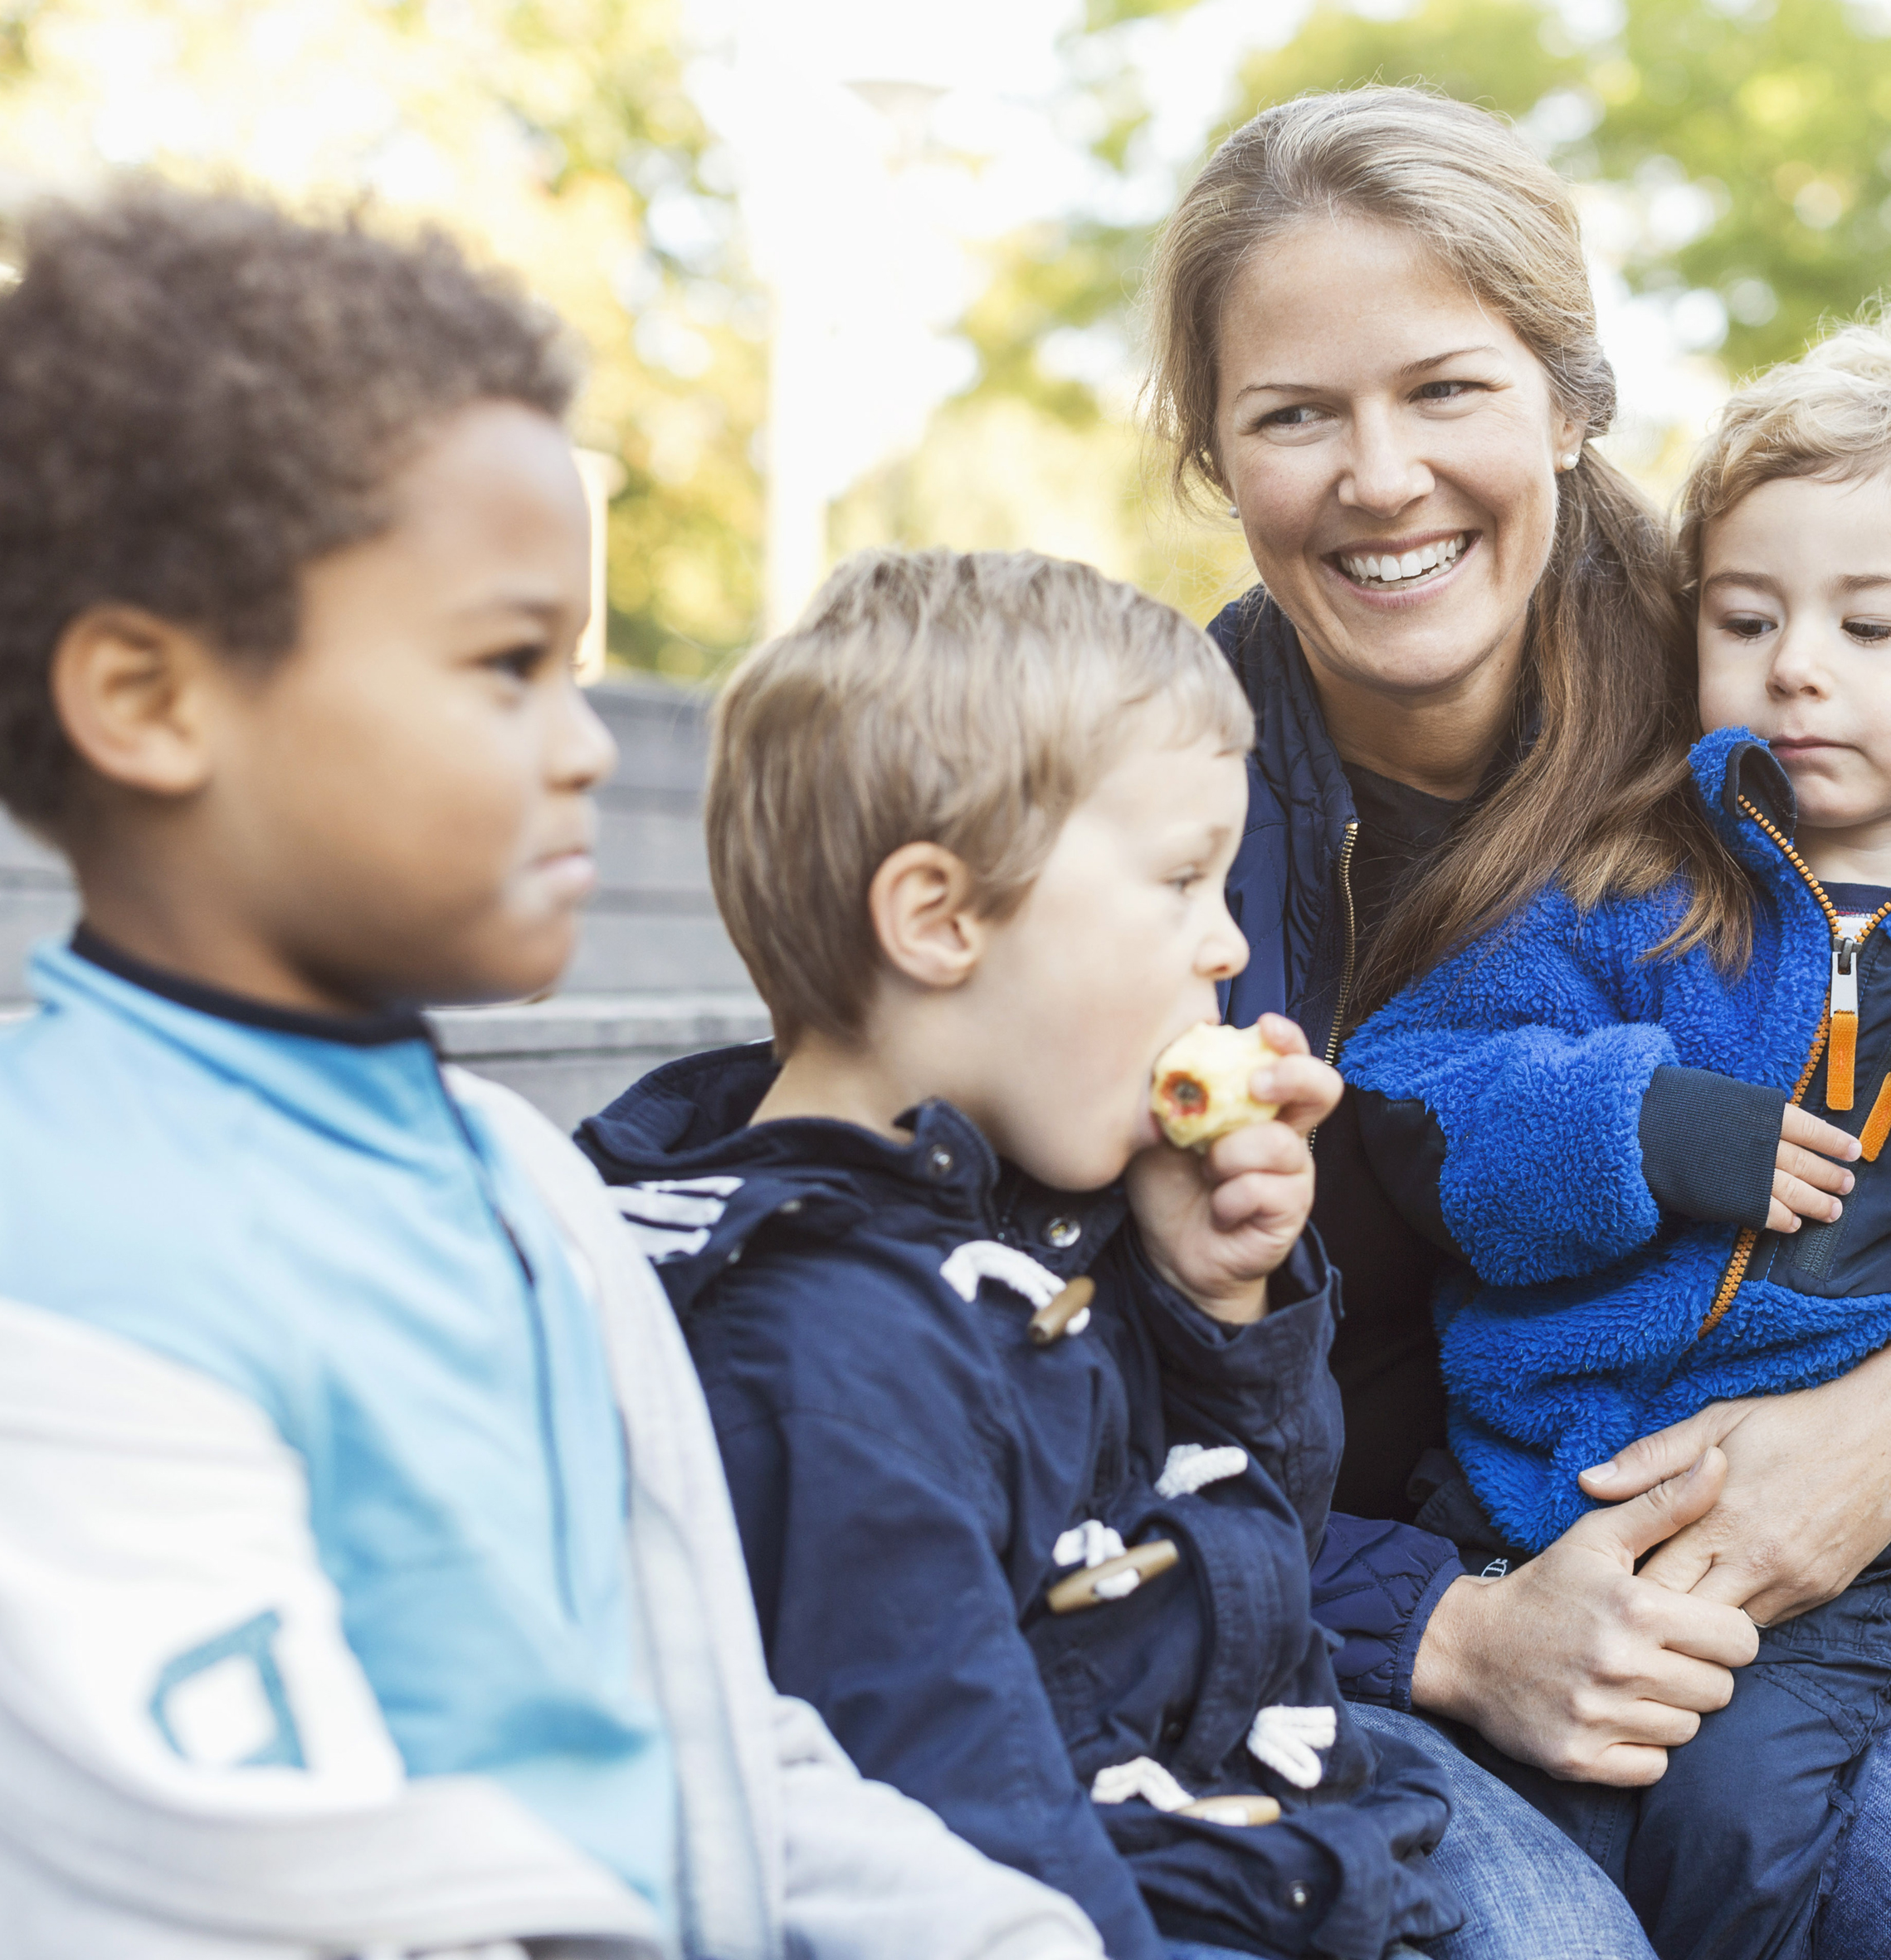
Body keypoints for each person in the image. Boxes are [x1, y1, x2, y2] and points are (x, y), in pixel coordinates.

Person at [0, 191, 1097, 1960]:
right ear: (150, 699)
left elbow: (677, 1739)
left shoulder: (510, 1180)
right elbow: (243, 1894)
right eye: (506, 666)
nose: (590, 745)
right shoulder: (25, 1301)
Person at [1143, 85, 1891, 1952]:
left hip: (1753, 1599)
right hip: (1339, 1592)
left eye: (1443, 387)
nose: (1379, 477)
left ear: (1568, 397)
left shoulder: (1784, 704)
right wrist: (1444, 1630)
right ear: (1215, 454)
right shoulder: (1149, 800)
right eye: (1295, 414)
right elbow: (1063, 1388)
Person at [1337, 296, 1891, 1958]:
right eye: (1746, 616)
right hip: (1522, 1503)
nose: (1796, 665)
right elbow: (1414, 1085)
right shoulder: (1622, 893)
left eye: (1871, 624)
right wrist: (1642, 1123)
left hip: (1834, 1577)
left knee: (1740, 1834)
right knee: (1562, 1855)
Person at [574, 549, 1467, 1960]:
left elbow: (1251, 1583)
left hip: (1263, 1836)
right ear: (940, 919)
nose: (1228, 943)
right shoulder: (824, 1348)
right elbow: (969, 1819)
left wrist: (1219, 1304)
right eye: (1181, 879)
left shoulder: (1039, 1223)